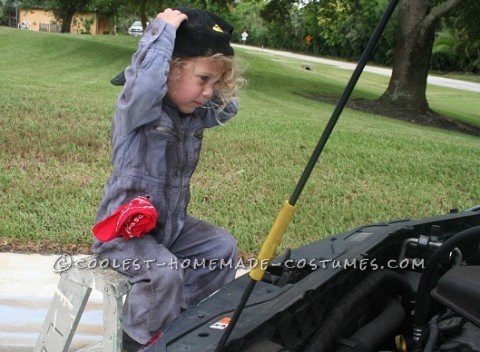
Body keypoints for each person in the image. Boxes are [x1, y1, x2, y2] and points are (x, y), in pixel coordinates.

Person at [91, 7, 243, 351]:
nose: (208, 92)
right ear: (169, 70)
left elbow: (228, 108)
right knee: (162, 271)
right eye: (203, 79)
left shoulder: (192, 115)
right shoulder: (139, 109)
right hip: (122, 234)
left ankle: (188, 327)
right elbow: (145, 81)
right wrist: (162, 33)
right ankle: (142, 343)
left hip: (169, 227)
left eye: (214, 82)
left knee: (221, 247)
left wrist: (217, 44)